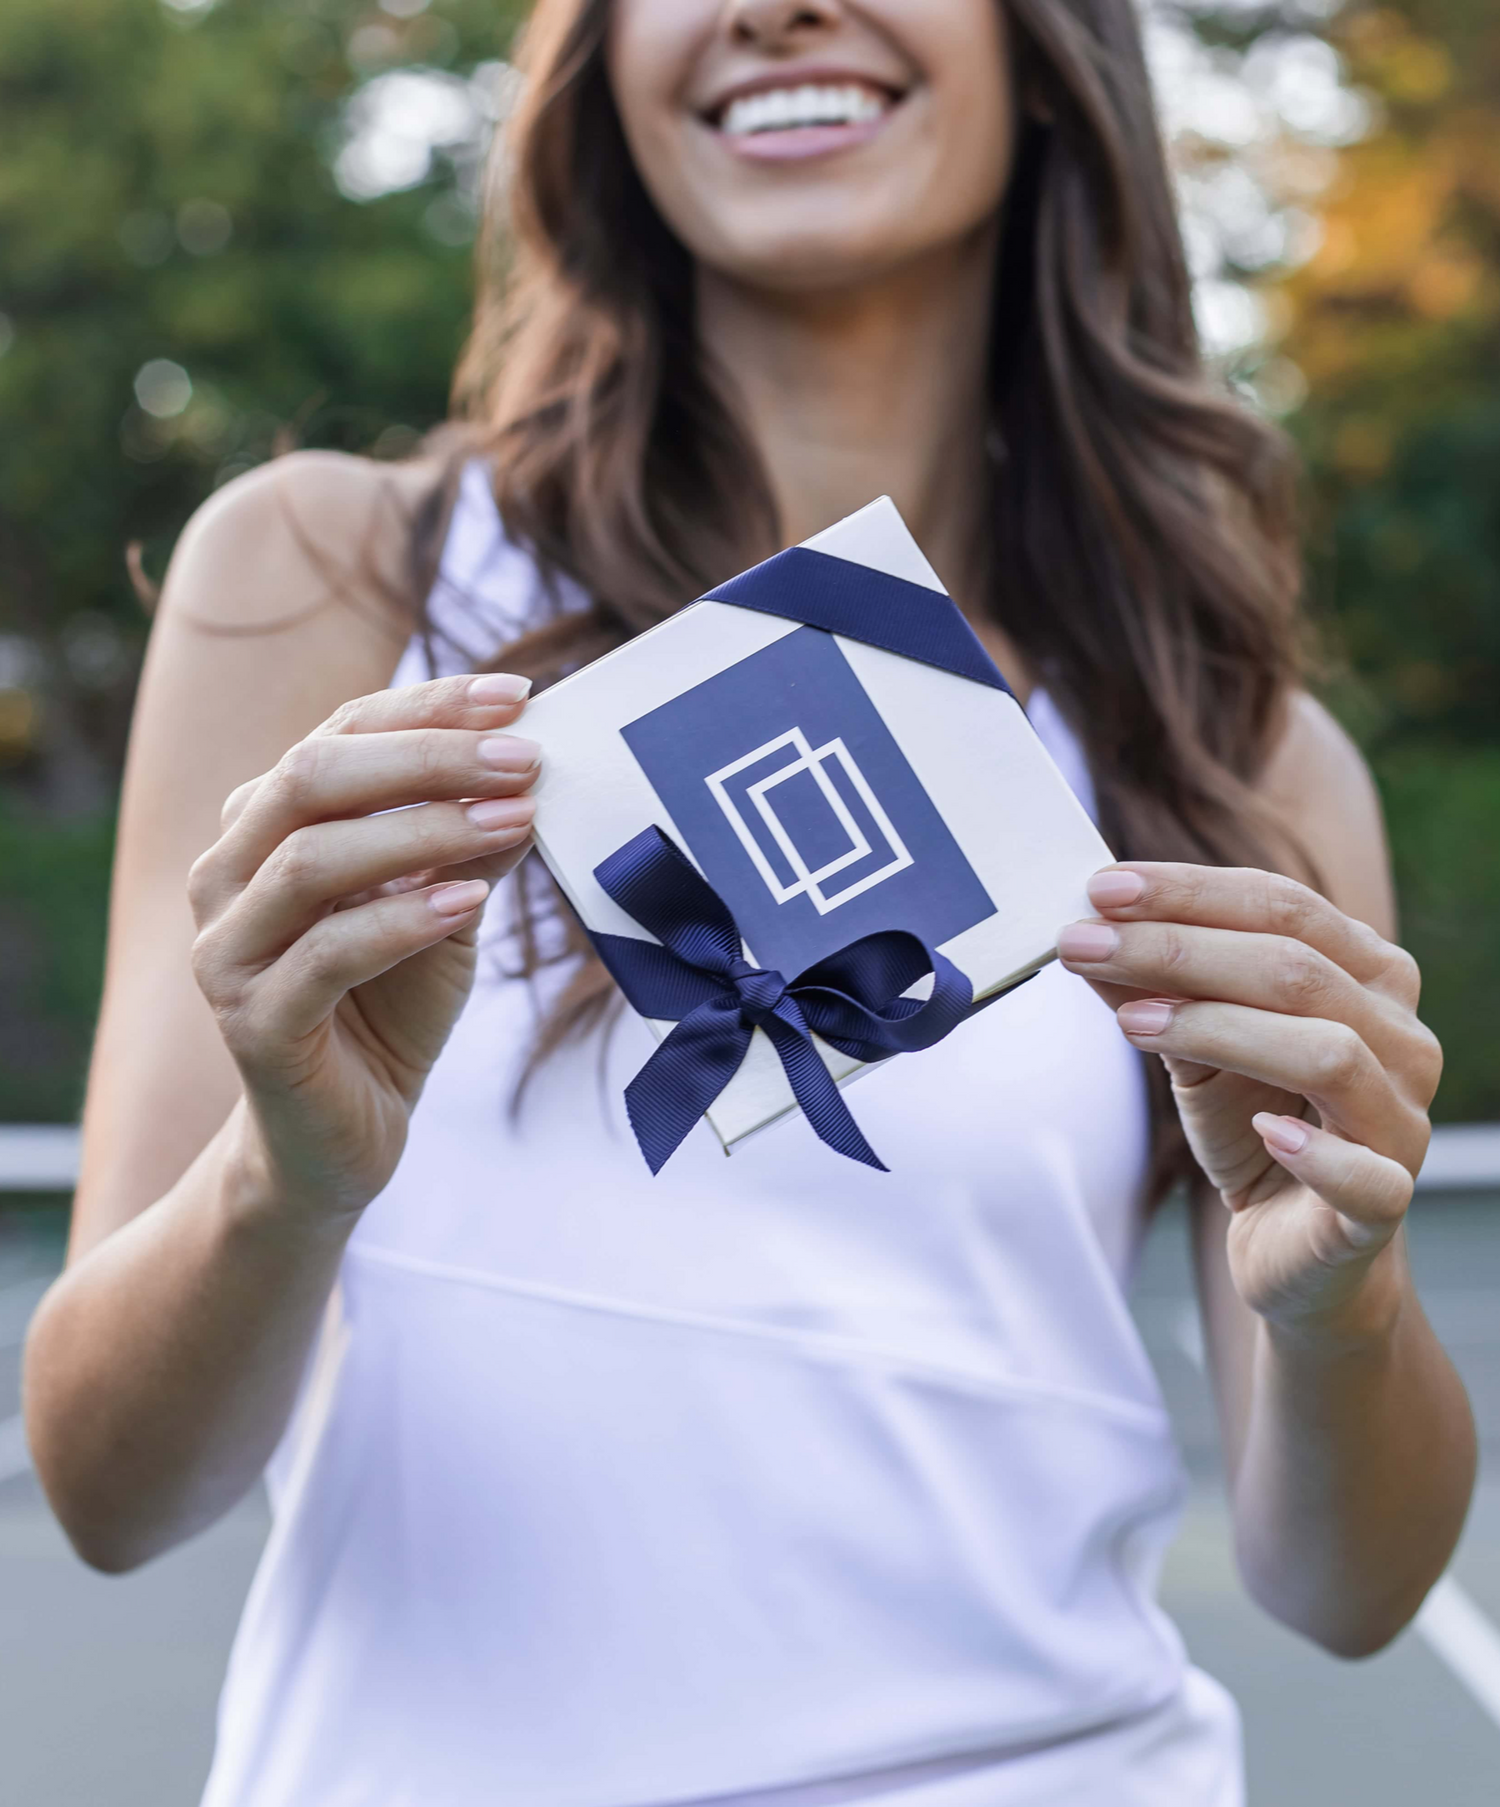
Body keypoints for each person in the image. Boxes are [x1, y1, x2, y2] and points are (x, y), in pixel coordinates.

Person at [25, 2, 1473, 1803]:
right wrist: (282, 1174)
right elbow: (101, 1487)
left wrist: (1340, 1304)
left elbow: (1342, 1590)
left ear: (1049, 52)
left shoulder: (1236, 740)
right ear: (601, 57)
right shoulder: (331, 576)